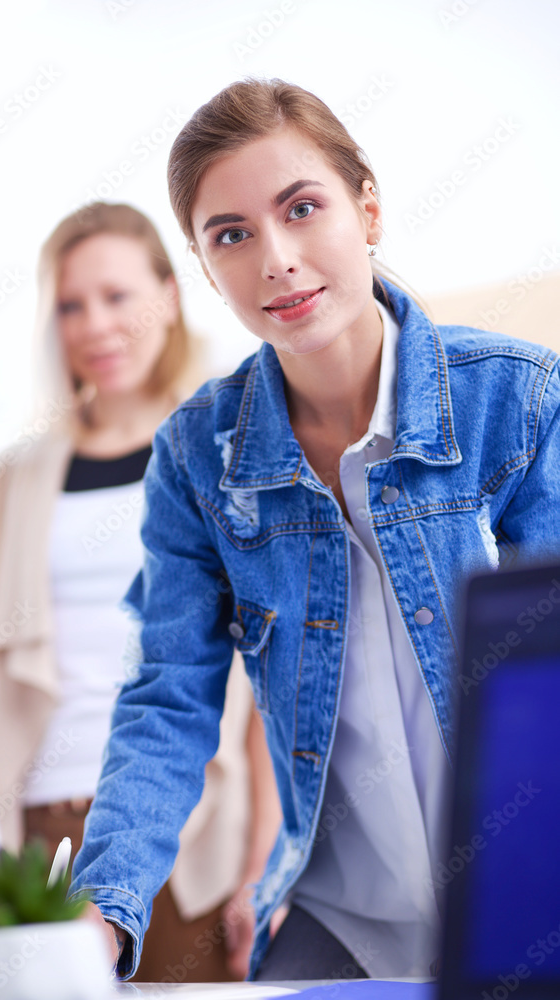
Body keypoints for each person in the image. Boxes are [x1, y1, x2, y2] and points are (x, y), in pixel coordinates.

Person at [70, 80, 560, 982]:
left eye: (301, 208)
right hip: (343, 918)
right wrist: (100, 913)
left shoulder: (519, 401)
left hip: (529, 896)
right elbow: (168, 698)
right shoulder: (195, 458)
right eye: (232, 234)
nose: (276, 259)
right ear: (204, 266)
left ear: (366, 208)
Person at [0, 202, 282, 983]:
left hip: (193, 833)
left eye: (117, 296)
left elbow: (269, 681)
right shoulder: (17, 478)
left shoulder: (225, 452)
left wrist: (265, 858)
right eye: (70, 304)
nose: (94, 325)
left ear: (168, 295)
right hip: (36, 837)